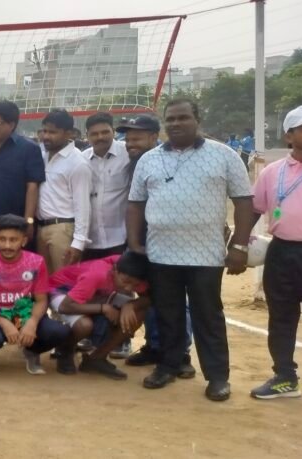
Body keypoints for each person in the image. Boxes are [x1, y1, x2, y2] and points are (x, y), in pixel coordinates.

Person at [127, 98, 254, 402]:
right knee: (167, 314)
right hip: (161, 253)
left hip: (206, 254)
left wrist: (239, 245)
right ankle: (168, 366)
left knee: (208, 315)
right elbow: (135, 204)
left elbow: (243, 202)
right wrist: (134, 242)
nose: (176, 123)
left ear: (197, 119)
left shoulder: (224, 156)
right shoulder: (149, 159)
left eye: (183, 117)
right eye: (170, 119)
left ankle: (218, 377)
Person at [115, 116, 195, 371]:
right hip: (141, 242)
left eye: (136, 138)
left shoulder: (170, 161)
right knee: (148, 295)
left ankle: (181, 354)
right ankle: (154, 346)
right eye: (128, 139)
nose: (130, 144)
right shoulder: (136, 164)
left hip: (170, 241)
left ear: (153, 136)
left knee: (175, 298)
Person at [248, 105, 302, 400]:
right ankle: (285, 377)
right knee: (281, 316)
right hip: (282, 252)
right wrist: (239, 245)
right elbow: (253, 209)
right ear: (289, 136)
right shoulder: (273, 172)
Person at [0, 214, 68, 375]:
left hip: (26, 313)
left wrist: (32, 322)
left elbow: (41, 300)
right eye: (2, 239)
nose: (7, 245)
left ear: (23, 241)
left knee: (59, 332)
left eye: (13, 240)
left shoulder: (36, 262)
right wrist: (3, 322)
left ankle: (32, 350)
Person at [48, 251, 152, 379]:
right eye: (126, 281)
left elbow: (150, 299)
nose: (129, 288)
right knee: (84, 325)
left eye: (135, 285)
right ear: (115, 270)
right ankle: (65, 350)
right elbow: (65, 307)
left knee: (139, 312)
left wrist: (131, 305)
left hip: (95, 293)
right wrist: (103, 308)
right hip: (63, 292)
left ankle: (97, 358)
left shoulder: (133, 270)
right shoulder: (98, 274)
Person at [0, 100, 45, 256]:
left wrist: (29, 221)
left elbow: (32, 186)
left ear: (11, 125)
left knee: (23, 267)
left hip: (19, 226)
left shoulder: (29, 149)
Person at [37, 109, 91, 274]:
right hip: (40, 228)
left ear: (69, 133)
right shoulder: (40, 155)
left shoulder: (77, 162)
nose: (46, 136)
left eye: (52, 132)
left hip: (63, 229)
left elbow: (82, 205)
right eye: (44, 131)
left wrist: (78, 242)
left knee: (64, 281)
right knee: (44, 282)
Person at [83, 112, 130, 260]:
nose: (100, 137)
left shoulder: (128, 153)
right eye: (94, 134)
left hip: (121, 238)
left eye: (105, 132)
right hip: (90, 241)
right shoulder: (82, 159)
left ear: (113, 131)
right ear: (87, 135)